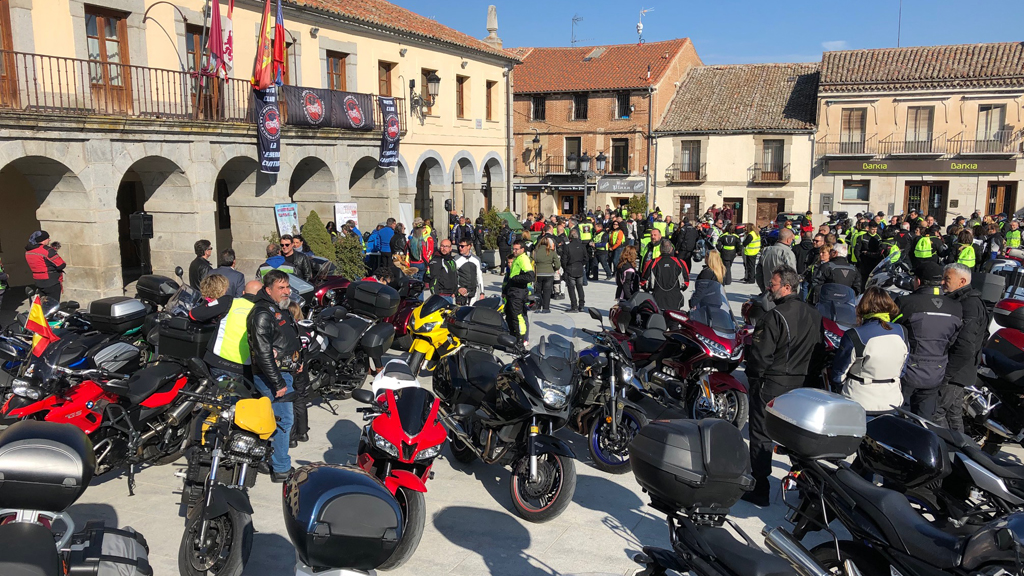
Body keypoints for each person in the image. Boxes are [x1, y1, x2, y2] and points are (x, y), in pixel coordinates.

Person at [743, 265, 824, 507]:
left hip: (774, 383)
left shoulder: (774, 317)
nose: (769, 287)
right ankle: (805, 486)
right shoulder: (814, 315)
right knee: (798, 438)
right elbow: (819, 352)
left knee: (761, 434)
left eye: (773, 284)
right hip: (801, 385)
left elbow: (760, 356)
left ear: (787, 287)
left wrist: (754, 377)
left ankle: (761, 488)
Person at [247, 270, 301, 482]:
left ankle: (267, 458)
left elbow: (287, 339)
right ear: (268, 290)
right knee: (283, 420)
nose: (286, 291)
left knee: (276, 419)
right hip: (273, 376)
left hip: (284, 371)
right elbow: (263, 353)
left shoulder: (278, 308)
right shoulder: (262, 314)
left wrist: (298, 361)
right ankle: (281, 469)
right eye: (281, 288)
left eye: (287, 287)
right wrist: (278, 382)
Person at [895, 262, 963, 420]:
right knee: (924, 422)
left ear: (918, 281)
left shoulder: (906, 303)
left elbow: (890, 331)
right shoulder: (956, 307)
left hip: (906, 371)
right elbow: (954, 340)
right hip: (936, 372)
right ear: (940, 281)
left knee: (898, 420)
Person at [829, 287, 909, 414]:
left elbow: (839, 374)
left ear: (862, 306)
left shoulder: (854, 335)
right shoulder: (902, 331)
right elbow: (902, 369)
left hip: (859, 402)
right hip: (892, 401)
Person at [937, 263, 987, 432]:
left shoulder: (969, 305)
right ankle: (961, 452)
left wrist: (946, 374)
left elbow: (966, 346)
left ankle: (949, 453)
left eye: (947, 279)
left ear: (962, 281)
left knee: (937, 413)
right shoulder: (964, 301)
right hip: (960, 371)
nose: (942, 283)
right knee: (953, 415)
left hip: (956, 372)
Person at [205, 279, 262, 376]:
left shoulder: (230, 301)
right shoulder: (262, 311)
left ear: (243, 292)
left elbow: (195, 314)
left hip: (218, 360)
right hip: (243, 366)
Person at [287, 301, 311, 448]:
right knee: (300, 400)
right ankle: (303, 432)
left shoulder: (289, 330)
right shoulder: (306, 330)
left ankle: (291, 437)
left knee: (287, 402)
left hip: (290, 368)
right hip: (303, 368)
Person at [642, 240, 689, 312]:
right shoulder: (680, 262)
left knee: (658, 321)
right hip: (675, 299)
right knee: (673, 321)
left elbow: (643, 282)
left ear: (660, 249)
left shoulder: (651, 263)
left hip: (657, 299)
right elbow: (686, 283)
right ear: (671, 249)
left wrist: (650, 289)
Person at [505, 239, 535, 344]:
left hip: (518, 292)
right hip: (513, 291)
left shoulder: (523, 259)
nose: (514, 251)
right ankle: (514, 338)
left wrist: (515, 279)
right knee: (510, 315)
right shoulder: (518, 258)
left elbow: (530, 276)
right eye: (513, 249)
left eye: (517, 249)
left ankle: (520, 340)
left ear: (522, 249)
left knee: (518, 316)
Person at [24, 230, 66, 301]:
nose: (49, 239)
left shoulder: (28, 252)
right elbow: (61, 265)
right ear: (42, 240)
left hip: (38, 281)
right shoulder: (47, 250)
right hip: (51, 281)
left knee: (43, 303)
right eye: (47, 238)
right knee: (53, 304)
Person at [755, 228, 797, 293]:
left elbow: (758, 272)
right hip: (782, 292)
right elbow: (792, 275)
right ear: (788, 240)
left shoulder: (766, 250)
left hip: (768, 290)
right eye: (792, 239)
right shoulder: (787, 253)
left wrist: (763, 289)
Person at [533, 236, 561, 313]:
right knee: (547, 291)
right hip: (549, 273)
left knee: (538, 291)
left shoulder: (535, 251)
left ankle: (538, 307)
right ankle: (546, 308)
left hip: (538, 273)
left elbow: (531, 261)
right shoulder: (551, 252)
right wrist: (554, 268)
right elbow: (558, 264)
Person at [562, 229, 588, 312]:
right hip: (579, 268)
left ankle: (574, 306)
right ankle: (581, 305)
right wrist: (581, 264)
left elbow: (564, 260)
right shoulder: (582, 246)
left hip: (571, 268)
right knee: (580, 287)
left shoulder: (568, 246)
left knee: (571, 288)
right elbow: (586, 258)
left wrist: (565, 268)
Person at [454, 239, 484, 305]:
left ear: (469, 246)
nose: (460, 248)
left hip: (473, 291)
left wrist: (482, 293)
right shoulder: (455, 259)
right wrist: (458, 288)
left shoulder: (476, 259)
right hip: (461, 292)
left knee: (472, 312)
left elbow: (479, 276)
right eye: (459, 246)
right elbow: (453, 277)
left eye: (462, 246)